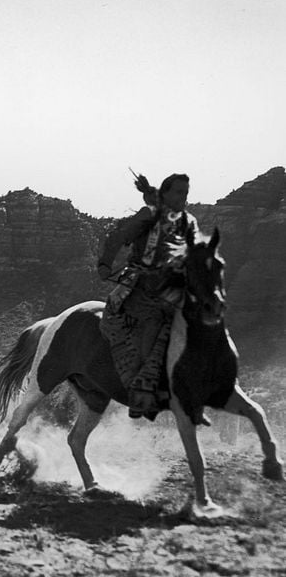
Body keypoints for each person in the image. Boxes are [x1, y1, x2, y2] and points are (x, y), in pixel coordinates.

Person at [97, 172, 198, 420]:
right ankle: (139, 390)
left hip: (170, 288)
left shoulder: (186, 221)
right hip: (140, 286)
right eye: (178, 192)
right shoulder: (148, 216)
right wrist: (105, 263)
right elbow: (119, 237)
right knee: (152, 324)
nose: (183, 197)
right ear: (165, 194)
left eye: (186, 193)